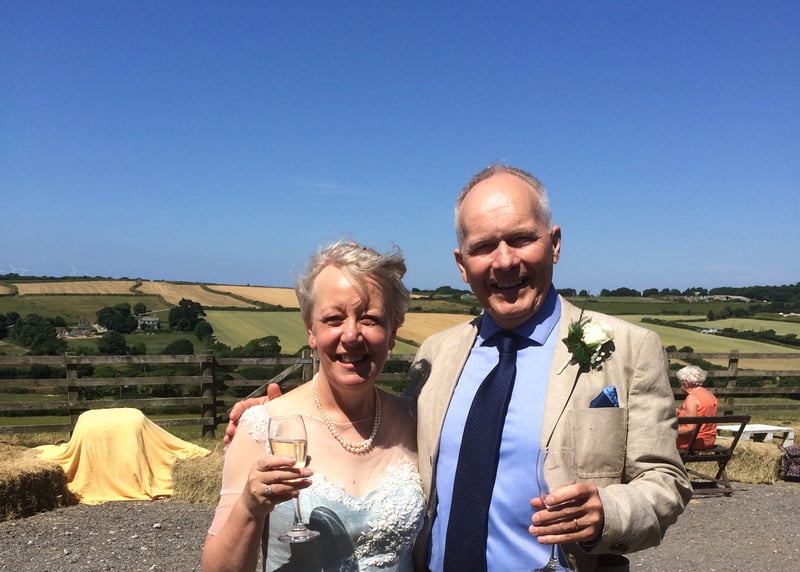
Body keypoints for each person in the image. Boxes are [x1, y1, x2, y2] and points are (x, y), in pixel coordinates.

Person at [226, 164, 692, 572]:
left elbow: (666, 482)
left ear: (553, 244)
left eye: (521, 239)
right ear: (462, 264)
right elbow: (382, 426)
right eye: (484, 246)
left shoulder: (629, 350)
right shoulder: (436, 355)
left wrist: (608, 512)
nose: (504, 260)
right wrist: (272, 416)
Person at [203, 240, 425, 572]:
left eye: (370, 319)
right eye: (334, 319)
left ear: (392, 332)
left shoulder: (416, 421)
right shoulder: (263, 427)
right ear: (311, 331)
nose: (351, 335)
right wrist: (250, 508)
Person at [675, 365, 719, 450]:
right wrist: (680, 412)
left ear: (686, 383)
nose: (680, 385)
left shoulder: (692, 398)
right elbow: (700, 413)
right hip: (709, 440)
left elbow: (690, 429)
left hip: (693, 442)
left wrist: (668, 431)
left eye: (680, 382)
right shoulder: (710, 395)